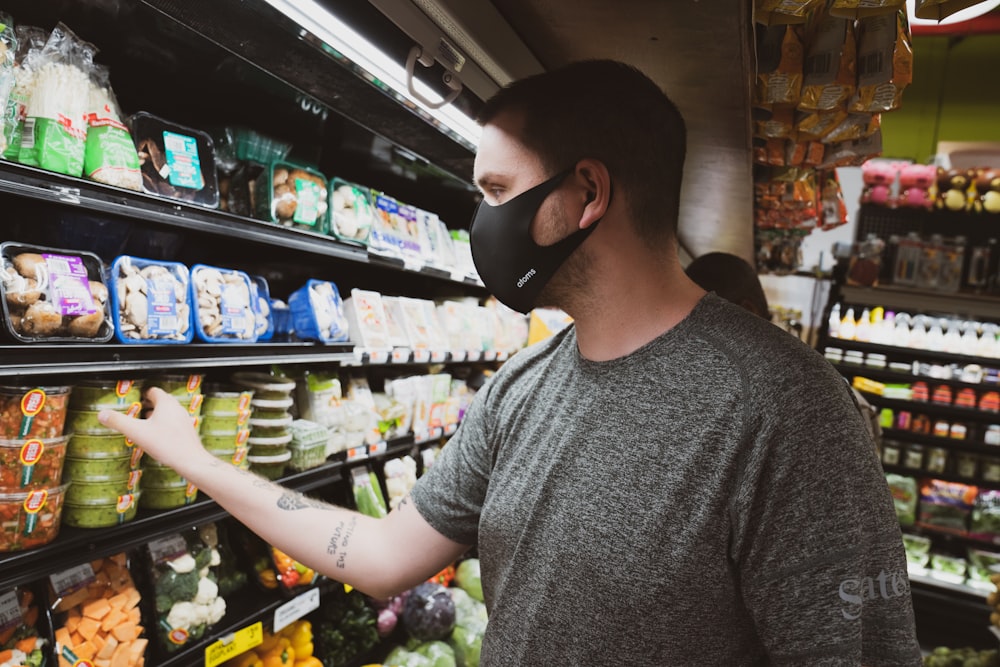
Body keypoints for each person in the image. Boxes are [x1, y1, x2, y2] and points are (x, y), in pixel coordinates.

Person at [100, 60, 921, 665]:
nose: (480, 219)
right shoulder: (522, 389)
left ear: (586, 195)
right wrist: (197, 460)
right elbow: (384, 553)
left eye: (495, 191)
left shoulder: (790, 412)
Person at [686, 251, 883, 444]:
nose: (691, 343)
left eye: (702, 324)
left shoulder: (812, 401)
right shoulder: (730, 390)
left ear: (745, 312)